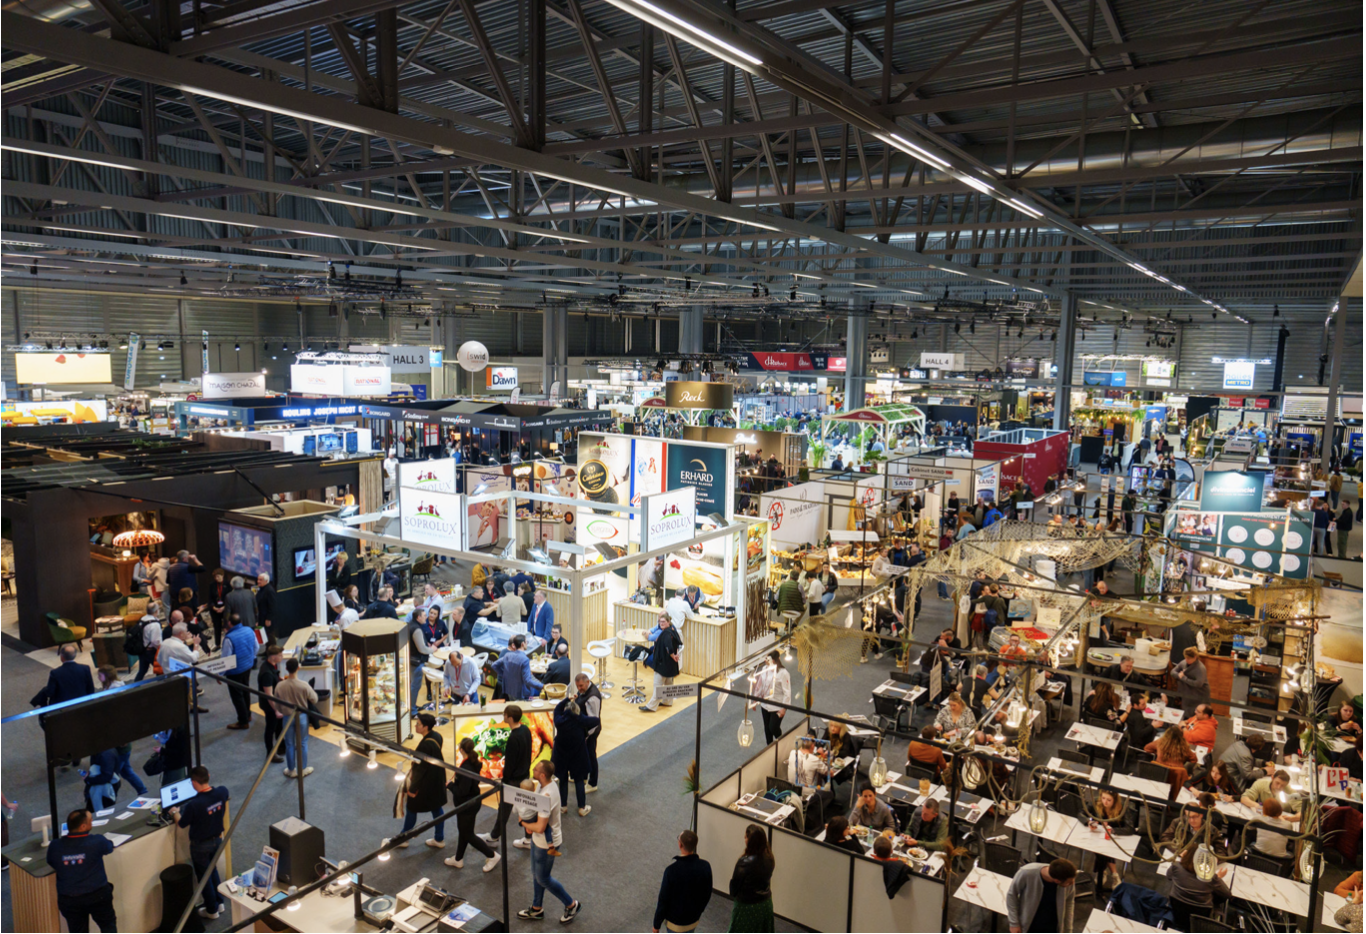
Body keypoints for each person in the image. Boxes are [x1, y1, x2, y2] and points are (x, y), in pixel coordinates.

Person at [516, 761, 581, 924]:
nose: (533, 770)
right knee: (536, 875)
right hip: (539, 841)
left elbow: (540, 827)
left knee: (543, 878)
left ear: (542, 775)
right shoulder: (544, 785)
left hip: (545, 844)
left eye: (536, 769)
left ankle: (571, 904)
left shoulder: (547, 795)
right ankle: (537, 908)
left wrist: (523, 823)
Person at [169, 766, 229, 920]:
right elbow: (222, 796)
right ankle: (219, 902)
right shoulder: (222, 791)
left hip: (200, 845)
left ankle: (212, 910)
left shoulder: (194, 805)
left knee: (204, 877)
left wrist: (174, 812)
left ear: (193, 782)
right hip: (218, 840)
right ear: (208, 776)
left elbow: (181, 824)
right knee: (212, 870)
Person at [47, 808, 117, 933]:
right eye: (90, 820)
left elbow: (52, 862)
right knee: (108, 926)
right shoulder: (97, 841)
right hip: (98, 895)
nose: (92, 822)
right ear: (83, 826)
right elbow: (109, 847)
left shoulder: (55, 846)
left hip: (70, 899)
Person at [444, 737, 501, 872]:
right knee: (464, 831)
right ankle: (458, 859)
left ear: (461, 749)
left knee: (468, 834)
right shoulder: (472, 762)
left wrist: (450, 785)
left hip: (467, 805)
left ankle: (492, 856)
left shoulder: (466, 767)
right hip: (470, 803)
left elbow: (462, 791)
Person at [395, 713, 449, 848]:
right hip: (437, 779)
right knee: (437, 808)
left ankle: (404, 838)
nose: (415, 725)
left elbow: (420, 769)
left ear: (425, 727)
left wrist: (412, 789)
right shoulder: (437, 736)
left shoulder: (425, 745)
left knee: (412, 808)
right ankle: (439, 838)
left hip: (426, 783)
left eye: (418, 724)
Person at [482, 705, 533, 848]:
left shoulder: (513, 738)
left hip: (513, 780)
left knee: (504, 810)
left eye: (505, 715)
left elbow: (509, 764)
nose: (503, 716)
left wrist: (504, 780)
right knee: (525, 809)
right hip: (525, 776)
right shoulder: (526, 730)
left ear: (510, 718)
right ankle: (528, 838)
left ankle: (494, 837)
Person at [651, 829, 712, 933]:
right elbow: (707, 893)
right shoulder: (705, 866)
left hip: (675, 923)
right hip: (693, 919)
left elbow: (663, 900)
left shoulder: (671, 871)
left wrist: (656, 925)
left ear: (680, 845)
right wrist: (699, 911)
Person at [551, 692, 599, 817]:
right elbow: (596, 720)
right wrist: (580, 717)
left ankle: (563, 806)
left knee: (563, 779)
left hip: (561, 755)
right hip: (578, 755)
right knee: (579, 780)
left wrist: (567, 699)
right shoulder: (581, 721)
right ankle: (582, 808)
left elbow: (557, 709)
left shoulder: (559, 721)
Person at [272, 658, 317, 778]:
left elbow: (277, 705)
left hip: (287, 717)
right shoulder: (304, 685)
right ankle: (303, 768)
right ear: (298, 668)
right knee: (303, 743)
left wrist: (284, 711)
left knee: (289, 744)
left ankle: (291, 770)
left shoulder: (280, 685)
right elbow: (315, 699)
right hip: (301, 717)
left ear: (286, 669)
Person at [1167, 842, 1230, 928]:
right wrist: (1218, 878)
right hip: (1200, 922)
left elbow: (1169, 877)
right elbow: (1226, 894)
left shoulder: (1176, 867)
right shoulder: (1211, 877)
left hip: (1176, 915)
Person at [1005, 858, 1076, 934]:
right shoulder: (1026, 872)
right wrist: (1014, 923)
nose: (1072, 883)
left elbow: (1069, 903)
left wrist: (1068, 930)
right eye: (1069, 882)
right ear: (1057, 881)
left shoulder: (1067, 876)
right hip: (1030, 924)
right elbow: (1011, 896)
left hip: (1052, 926)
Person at [727, 824, 774, 932]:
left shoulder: (744, 862)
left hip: (747, 906)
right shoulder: (770, 857)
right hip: (765, 904)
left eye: (746, 837)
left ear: (751, 842)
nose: (744, 839)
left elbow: (734, 887)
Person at [640, 613, 683, 714]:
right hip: (670, 665)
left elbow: (668, 647)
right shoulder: (673, 630)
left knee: (657, 684)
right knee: (669, 683)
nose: (661, 623)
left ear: (668, 622)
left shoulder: (665, 634)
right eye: (660, 622)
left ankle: (651, 706)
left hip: (663, 663)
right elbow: (679, 643)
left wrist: (673, 655)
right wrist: (675, 656)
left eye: (663, 622)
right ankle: (668, 701)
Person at [222, 614, 258, 730]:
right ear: (241, 621)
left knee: (237, 696)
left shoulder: (229, 638)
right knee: (245, 690)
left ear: (229, 624)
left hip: (234, 671)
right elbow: (256, 647)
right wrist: (250, 658)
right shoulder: (249, 630)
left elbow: (226, 659)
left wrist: (220, 674)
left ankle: (243, 721)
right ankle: (248, 715)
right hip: (247, 666)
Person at [31, 643, 95, 707]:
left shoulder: (55, 673)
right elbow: (91, 689)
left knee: (45, 691)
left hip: (62, 707)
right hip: (82, 704)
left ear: (62, 657)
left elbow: (50, 693)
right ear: (75, 656)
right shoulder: (85, 669)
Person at [410, 605, 449, 711]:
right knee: (415, 686)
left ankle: (412, 706)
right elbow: (422, 648)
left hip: (414, 659)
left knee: (413, 685)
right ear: (418, 617)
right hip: (417, 661)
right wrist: (432, 649)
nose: (427, 616)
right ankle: (412, 710)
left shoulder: (411, 625)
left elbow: (446, 633)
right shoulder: (417, 629)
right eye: (424, 615)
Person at [751, 651, 790, 743]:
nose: (765, 661)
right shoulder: (764, 669)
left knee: (773, 727)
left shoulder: (783, 673)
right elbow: (760, 685)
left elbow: (787, 692)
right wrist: (755, 700)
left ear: (773, 660)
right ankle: (769, 749)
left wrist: (784, 708)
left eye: (767, 659)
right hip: (765, 705)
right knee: (767, 730)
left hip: (777, 706)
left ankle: (781, 743)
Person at [492, 634, 544, 701]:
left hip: (510, 690)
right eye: (526, 642)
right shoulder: (524, 659)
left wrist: (506, 676)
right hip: (521, 693)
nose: (527, 643)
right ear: (522, 644)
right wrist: (542, 686)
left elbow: (494, 665)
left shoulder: (507, 655)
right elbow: (527, 680)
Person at [258, 644, 285, 763]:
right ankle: (270, 753)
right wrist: (276, 710)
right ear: (273, 657)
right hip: (270, 706)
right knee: (271, 728)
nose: (282, 657)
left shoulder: (270, 666)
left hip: (275, 703)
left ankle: (281, 747)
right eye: (280, 655)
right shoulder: (267, 674)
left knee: (279, 725)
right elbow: (269, 695)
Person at [1171, 646, 1210, 714]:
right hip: (1188, 692)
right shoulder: (1183, 663)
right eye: (1185, 657)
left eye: (1188, 658)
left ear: (1195, 657)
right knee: (1186, 712)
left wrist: (1184, 678)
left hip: (1199, 694)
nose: (1186, 660)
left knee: (1199, 713)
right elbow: (1172, 672)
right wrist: (1179, 676)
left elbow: (1198, 683)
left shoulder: (1200, 668)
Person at [166, 550, 206, 614]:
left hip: (175, 596)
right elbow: (202, 568)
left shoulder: (171, 568)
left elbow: (168, 581)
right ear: (184, 558)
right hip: (188, 596)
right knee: (192, 613)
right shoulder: (187, 567)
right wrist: (195, 559)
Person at [205, 569, 230, 647]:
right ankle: (217, 644)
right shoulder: (212, 585)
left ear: (222, 575)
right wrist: (213, 607)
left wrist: (224, 607)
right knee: (217, 626)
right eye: (215, 577)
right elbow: (210, 598)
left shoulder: (228, 584)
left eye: (218, 576)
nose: (216, 578)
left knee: (227, 626)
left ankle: (229, 644)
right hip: (215, 609)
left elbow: (230, 598)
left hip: (225, 608)